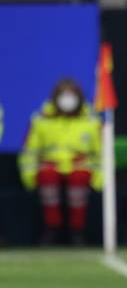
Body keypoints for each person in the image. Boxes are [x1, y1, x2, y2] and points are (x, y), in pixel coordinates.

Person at [18, 79, 102, 245]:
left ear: (79, 97)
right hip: (51, 165)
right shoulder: (41, 120)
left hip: (80, 166)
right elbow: (29, 151)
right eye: (63, 94)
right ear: (56, 97)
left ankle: (77, 231)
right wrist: (29, 175)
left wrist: (99, 178)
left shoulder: (92, 121)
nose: (67, 99)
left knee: (79, 177)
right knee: (47, 175)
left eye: (71, 94)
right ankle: (52, 228)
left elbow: (101, 153)